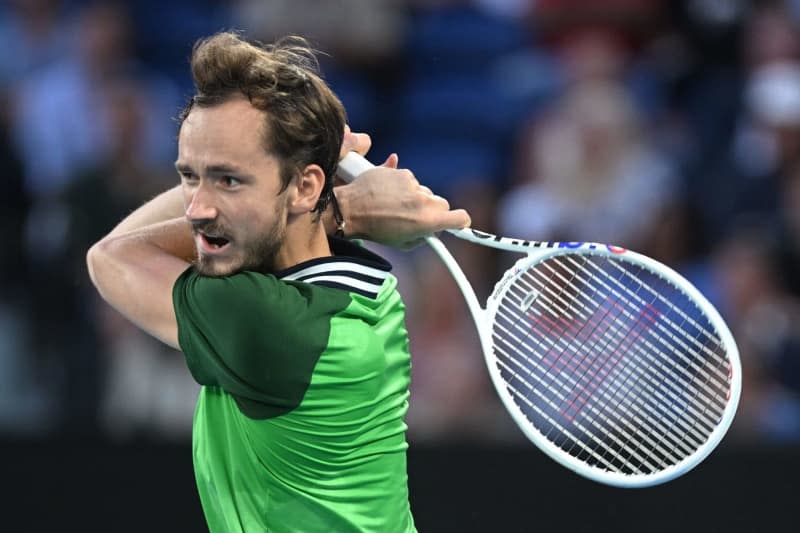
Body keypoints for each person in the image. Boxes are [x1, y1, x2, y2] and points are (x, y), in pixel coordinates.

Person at [86, 31, 470, 532]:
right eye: (188, 175)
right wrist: (330, 210)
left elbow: (112, 256)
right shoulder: (361, 289)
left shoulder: (268, 325)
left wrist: (345, 208)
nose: (198, 208)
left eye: (229, 180)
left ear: (306, 185)